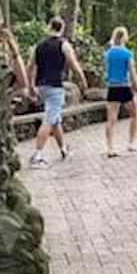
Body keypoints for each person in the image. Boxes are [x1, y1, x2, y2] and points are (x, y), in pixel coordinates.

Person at [19, 18, 88, 169]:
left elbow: (29, 66)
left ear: (49, 27)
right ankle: (37, 155)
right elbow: (73, 64)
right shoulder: (63, 45)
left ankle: (63, 149)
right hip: (55, 86)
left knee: (55, 119)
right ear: (61, 29)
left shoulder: (38, 45)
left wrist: (30, 86)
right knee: (49, 120)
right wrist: (82, 80)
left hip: (41, 86)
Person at [103, 26, 137, 157]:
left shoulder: (108, 54)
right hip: (125, 87)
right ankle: (131, 143)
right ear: (124, 37)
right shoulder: (127, 54)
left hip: (112, 87)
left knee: (111, 119)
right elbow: (133, 73)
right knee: (134, 115)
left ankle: (110, 147)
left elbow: (106, 70)